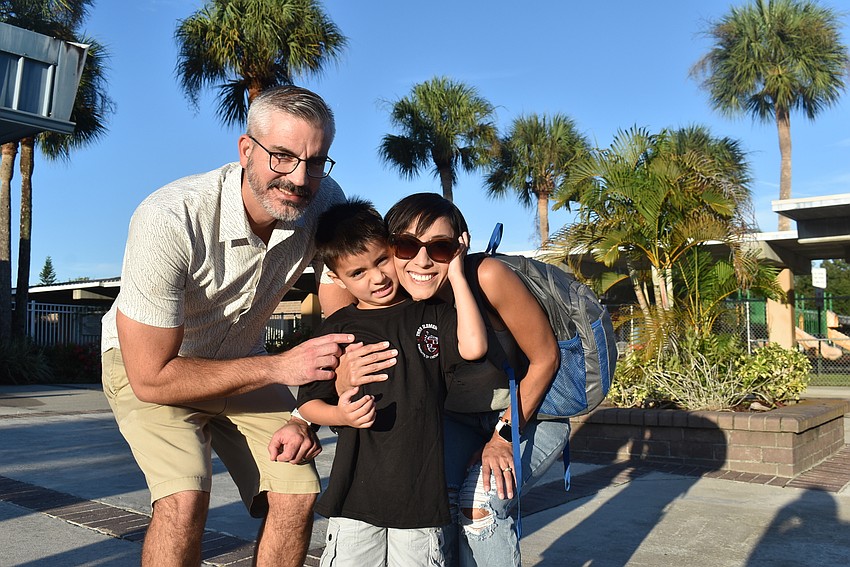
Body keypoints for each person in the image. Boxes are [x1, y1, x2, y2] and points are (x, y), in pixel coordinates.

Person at [100, 85, 355, 567]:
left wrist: (308, 408)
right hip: (153, 370)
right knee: (184, 501)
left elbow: (344, 311)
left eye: (315, 161)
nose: (299, 178)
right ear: (246, 150)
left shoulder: (324, 204)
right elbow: (152, 376)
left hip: (243, 360)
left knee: (298, 493)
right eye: (281, 157)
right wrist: (282, 368)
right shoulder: (170, 217)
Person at [335, 193, 570, 567]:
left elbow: (546, 358)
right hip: (458, 421)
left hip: (527, 417)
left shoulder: (486, 278)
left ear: (461, 245)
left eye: (440, 247)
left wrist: (502, 437)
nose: (422, 260)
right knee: (431, 500)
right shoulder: (397, 297)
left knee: (478, 504)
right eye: (407, 245)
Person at [285, 197, 487, 567]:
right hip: (355, 496)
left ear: (394, 249)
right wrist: (340, 415)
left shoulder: (431, 312)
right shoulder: (337, 330)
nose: (377, 277)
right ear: (336, 277)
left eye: (381, 261)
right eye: (357, 273)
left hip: (420, 497)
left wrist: (457, 275)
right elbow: (309, 404)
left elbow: (473, 347)